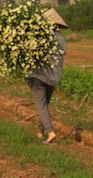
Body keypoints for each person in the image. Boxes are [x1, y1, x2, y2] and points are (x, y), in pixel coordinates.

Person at [27, 8, 67, 145]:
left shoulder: (38, 36)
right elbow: (62, 54)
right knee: (44, 105)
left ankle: (50, 132)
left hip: (38, 76)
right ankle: (40, 132)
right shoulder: (61, 38)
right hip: (53, 77)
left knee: (41, 105)